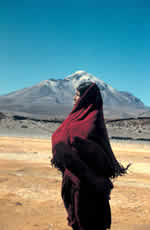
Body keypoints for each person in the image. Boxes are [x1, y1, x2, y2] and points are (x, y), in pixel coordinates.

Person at [51, 81, 130, 230]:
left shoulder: (90, 122)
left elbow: (64, 142)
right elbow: (60, 141)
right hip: (82, 185)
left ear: (85, 99)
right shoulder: (82, 120)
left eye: (77, 95)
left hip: (88, 188)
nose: (74, 98)